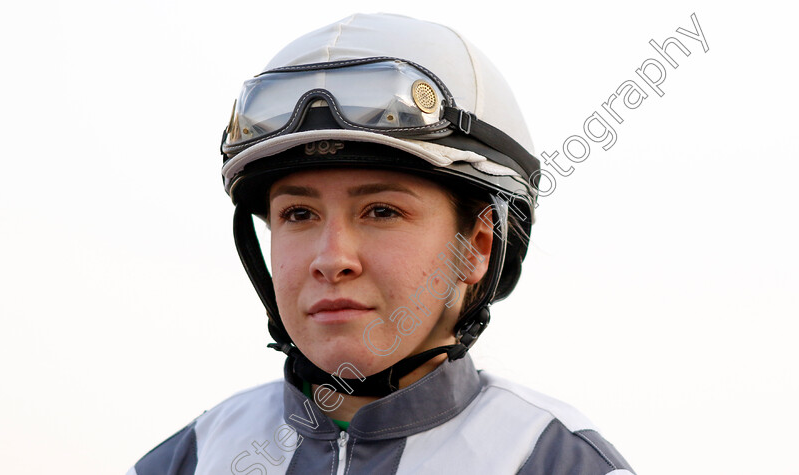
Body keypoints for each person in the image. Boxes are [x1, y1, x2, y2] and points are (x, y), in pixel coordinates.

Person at [128, 13, 635, 475]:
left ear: (478, 246)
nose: (332, 260)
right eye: (298, 214)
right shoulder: (188, 461)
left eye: (382, 211)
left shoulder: (559, 464)